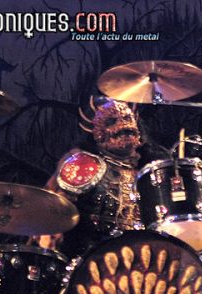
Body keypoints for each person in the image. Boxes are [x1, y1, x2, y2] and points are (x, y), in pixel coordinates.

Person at [35, 97, 167, 256]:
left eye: (127, 118)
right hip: (91, 254)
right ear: (98, 133)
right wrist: (50, 234)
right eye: (112, 121)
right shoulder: (83, 164)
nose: (123, 125)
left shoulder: (150, 172)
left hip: (141, 253)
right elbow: (55, 207)